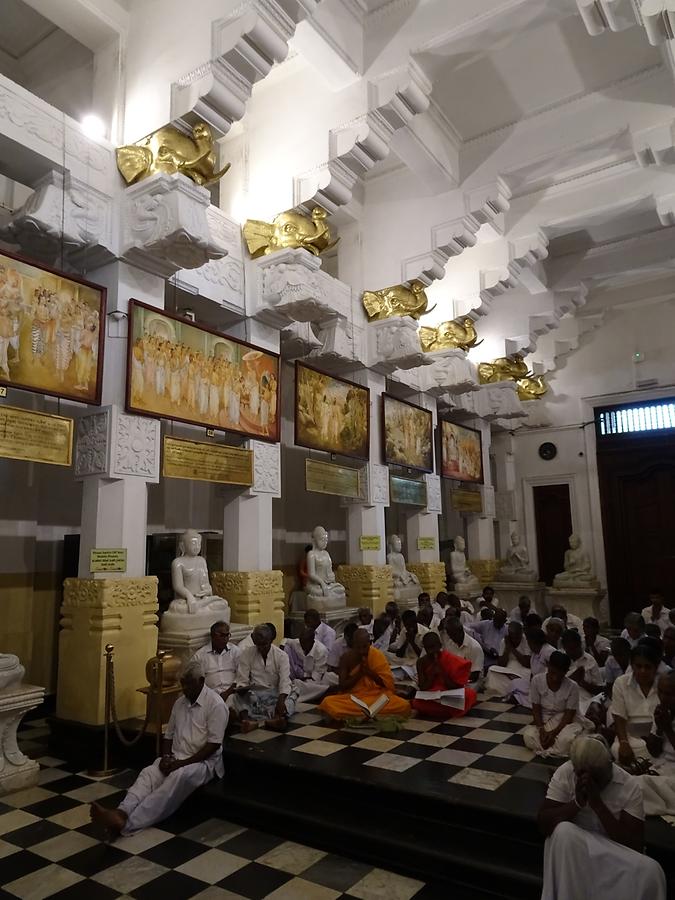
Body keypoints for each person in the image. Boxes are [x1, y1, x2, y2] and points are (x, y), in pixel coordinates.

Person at [90, 660, 227, 838]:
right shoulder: (180, 703)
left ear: (201, 681)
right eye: (182, 684)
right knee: (149, 773)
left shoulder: (216, 705)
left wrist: (181, 764)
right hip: (177, 758)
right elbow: (168, 736)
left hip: (203, 763)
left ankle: (127, 824)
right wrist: (166, 757)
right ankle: (122, 812)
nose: (184, 689)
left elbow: (213, 745)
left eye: (188, 684)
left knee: (176, 778)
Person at [538, 735, 666, 900]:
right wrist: (577, 803)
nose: (592, 782)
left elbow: (635, 846)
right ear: (576, 771)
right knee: (564, 831)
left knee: (652, 871)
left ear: (610, 765)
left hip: (612, 851)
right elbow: (543, 824)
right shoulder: (566, 772)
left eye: (598, 778)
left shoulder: (628, 785)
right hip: (573, 852)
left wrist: (598, 805)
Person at [319, 629, 411, 721]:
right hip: (354, 698)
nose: (361, 651)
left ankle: (358, 715)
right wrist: (359, 674)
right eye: (358, 647)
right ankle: (372, 714)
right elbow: (342, 686)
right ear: (353, 644)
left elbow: (387, 684)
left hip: (376, 697)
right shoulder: (346, 658)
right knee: (328, 702)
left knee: (403, 705)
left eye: (364, 647)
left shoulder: (377, 655)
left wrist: (370, 674)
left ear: (370, 643)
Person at [232, 624, 295, 732]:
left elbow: (285, 681)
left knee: (293, 693)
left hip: (275, 693)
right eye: (258, 644)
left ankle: (275, 719)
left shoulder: (281, 656)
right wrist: (242, 689)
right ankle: (248, 721)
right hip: (255, 694)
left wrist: (281, 700)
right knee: (235, 697)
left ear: (271, 640)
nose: (261, 648)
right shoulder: (247, 653)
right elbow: (242, 679)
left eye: (264, 644)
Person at [523, 651, 585, 758]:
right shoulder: (537, 680)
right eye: (553, 673)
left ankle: (548, 747)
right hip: (543, 721)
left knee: (566, 740)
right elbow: (536, 709)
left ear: (566, 672)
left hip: (563, 723)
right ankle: (552, 748)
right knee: (528, 736)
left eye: (560, 675)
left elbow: (568, 716)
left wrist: (554, 733)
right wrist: (542, 731)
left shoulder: (572, 686)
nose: (555, 678)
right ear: (548, 666)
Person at [610, 641, 660, 767]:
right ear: (632, 666)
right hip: (630, 736)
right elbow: (619, 717)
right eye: (638, 666)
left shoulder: (663, 684)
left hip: (658, 738)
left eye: (648, 667)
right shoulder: (621, 683)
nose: (643, 671)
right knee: (617, 750)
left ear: (656, 667)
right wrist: (623, 742)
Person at [412, 632, 477, 719]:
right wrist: (432, 675)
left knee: (470, 694)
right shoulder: (421, 662)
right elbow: (423, 687)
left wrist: (441, 672)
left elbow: (456, 687)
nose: (431, 651)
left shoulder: (449, 658)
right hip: (432, 696)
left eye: (433, 647)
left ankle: (438, 711)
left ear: (440, 645)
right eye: (428, 648)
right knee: (417, 702)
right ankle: (449, 710)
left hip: (448, 694)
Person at [191, 621, 240, 703]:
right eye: (222, 635)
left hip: (232, 693)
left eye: (227, 635)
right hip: (210, 696)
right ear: (212, 636)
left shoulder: (235, 651)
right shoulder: (200, 655)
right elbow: (195, 681)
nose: (225, 639)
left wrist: (227, 693)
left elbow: (241, 676)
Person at [508, 627, 555, 707]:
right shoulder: (534, 652)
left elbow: (553, 674)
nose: (528, 644)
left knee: (535, 697)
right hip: (535, 684)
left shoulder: (549, 651)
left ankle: (523, 699)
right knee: (515, 682)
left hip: (547, 687)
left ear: (533, 642)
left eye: (528, 641)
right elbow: (533, 672)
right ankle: (523, 697)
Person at [483, 620, 531, 697]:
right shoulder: (504, 642)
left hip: (523, 670)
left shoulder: (527, 641)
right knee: (491, 670)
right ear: (509, 635)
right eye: (513, 637)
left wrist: (512, 648)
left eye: (518, 637)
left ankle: (515, 689)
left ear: (521, 633)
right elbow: (501, 664)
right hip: (508, 670)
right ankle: (511, 689)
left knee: (528, 675)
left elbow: (526, 663)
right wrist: (507, 650)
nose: (515, 640)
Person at [562, 628, 604, 715]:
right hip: (564, 698)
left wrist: (582, 683)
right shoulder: (560, 659)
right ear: (564, 648)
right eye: (570, 649)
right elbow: (553, 685)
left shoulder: (590, 660)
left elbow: (600, 690)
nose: (573, 651)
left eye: (575, 648)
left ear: (580, 644)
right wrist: (572, 678)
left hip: (585, 700)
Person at [284, 626, 330, 703]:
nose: (301, 645)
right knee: (286, 648)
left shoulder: (321, 651)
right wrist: (282, 647)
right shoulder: (297, 642)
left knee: (302, 685)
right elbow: (285, 640)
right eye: (301, 641)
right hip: (300, 674)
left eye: (304, 643)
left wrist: (300, 680)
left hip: (314, 679)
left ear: (312, 641)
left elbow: (316, 677)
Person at [439, 615, 484, 682]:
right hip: (454, 679)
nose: (451, 638)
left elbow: (475, 675)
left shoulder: (475, 647)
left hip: (471, 681)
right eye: (449, 635)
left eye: (453, 635)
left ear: (460, 631)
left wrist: (455, 679)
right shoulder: (450, 642)